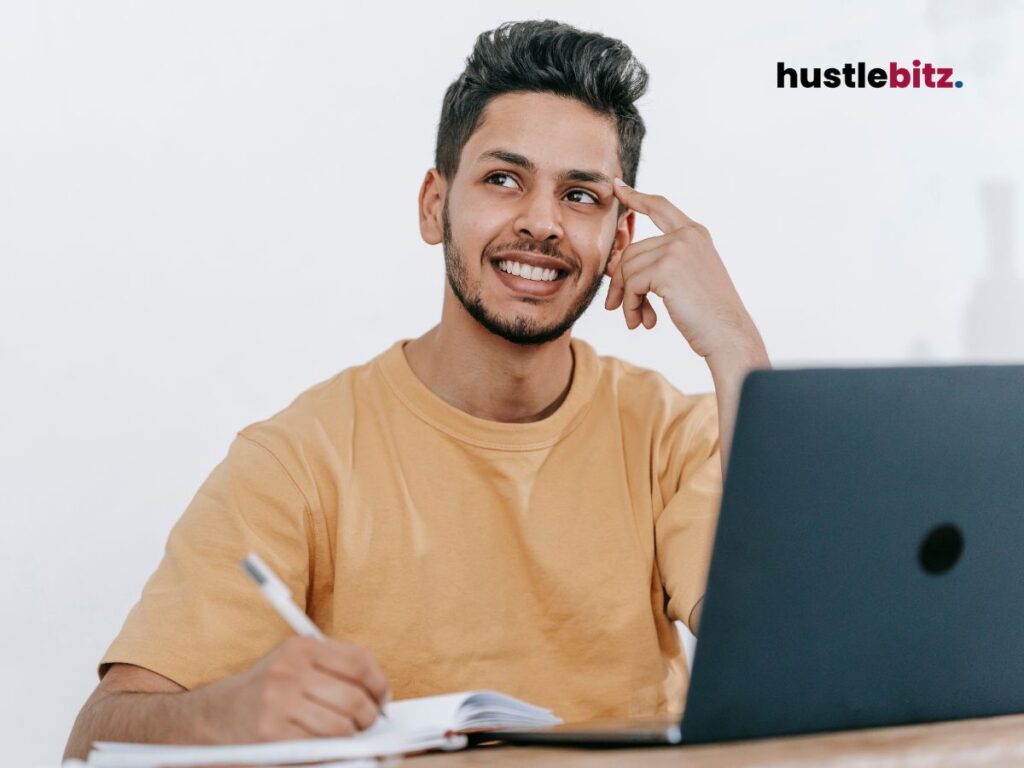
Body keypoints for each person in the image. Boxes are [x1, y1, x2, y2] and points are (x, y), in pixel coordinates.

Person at [64, 19, 769, 759]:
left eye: (582, 196)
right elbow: (90, 741)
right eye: (504, 179)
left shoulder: (677, 436)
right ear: (435, 206)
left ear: (619, 241)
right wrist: (228, 710)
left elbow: (797, 667)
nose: (541, 223)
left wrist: (736, 349)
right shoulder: (299, 459)